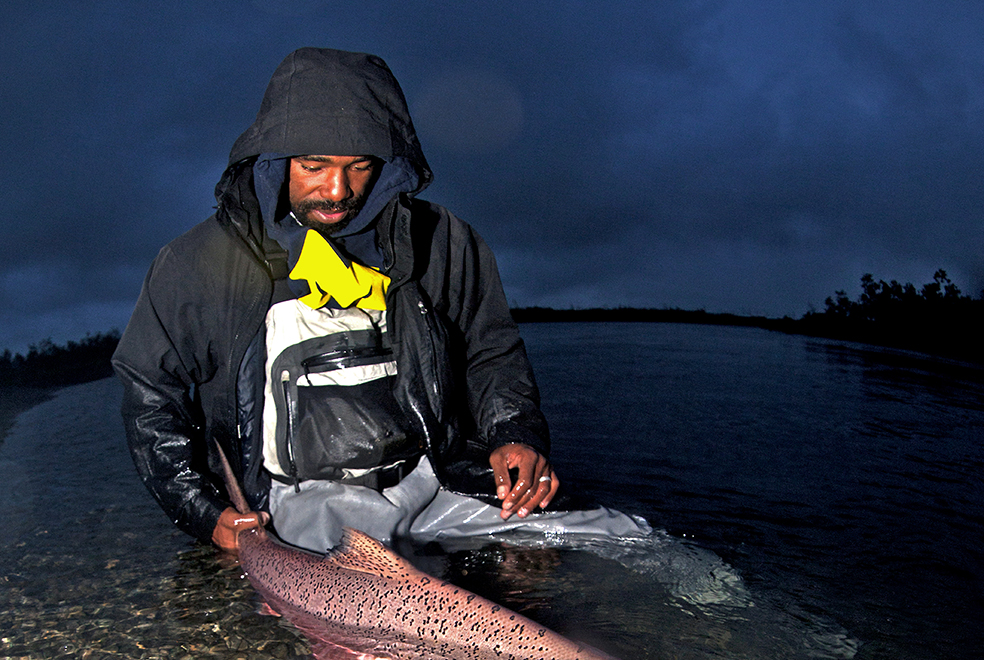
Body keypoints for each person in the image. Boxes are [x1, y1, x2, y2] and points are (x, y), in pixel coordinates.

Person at [113, 48, 645, 555]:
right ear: (273, 160)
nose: (338, 189)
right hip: (299, 509)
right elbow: (151, 391)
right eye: (314, 165)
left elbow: (491, 350)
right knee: (373, 634)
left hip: (433, 478)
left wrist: (514, 435)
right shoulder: (198, 262)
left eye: (360, 166)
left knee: (623, 537)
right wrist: (201, 511)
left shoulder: (442, 240)